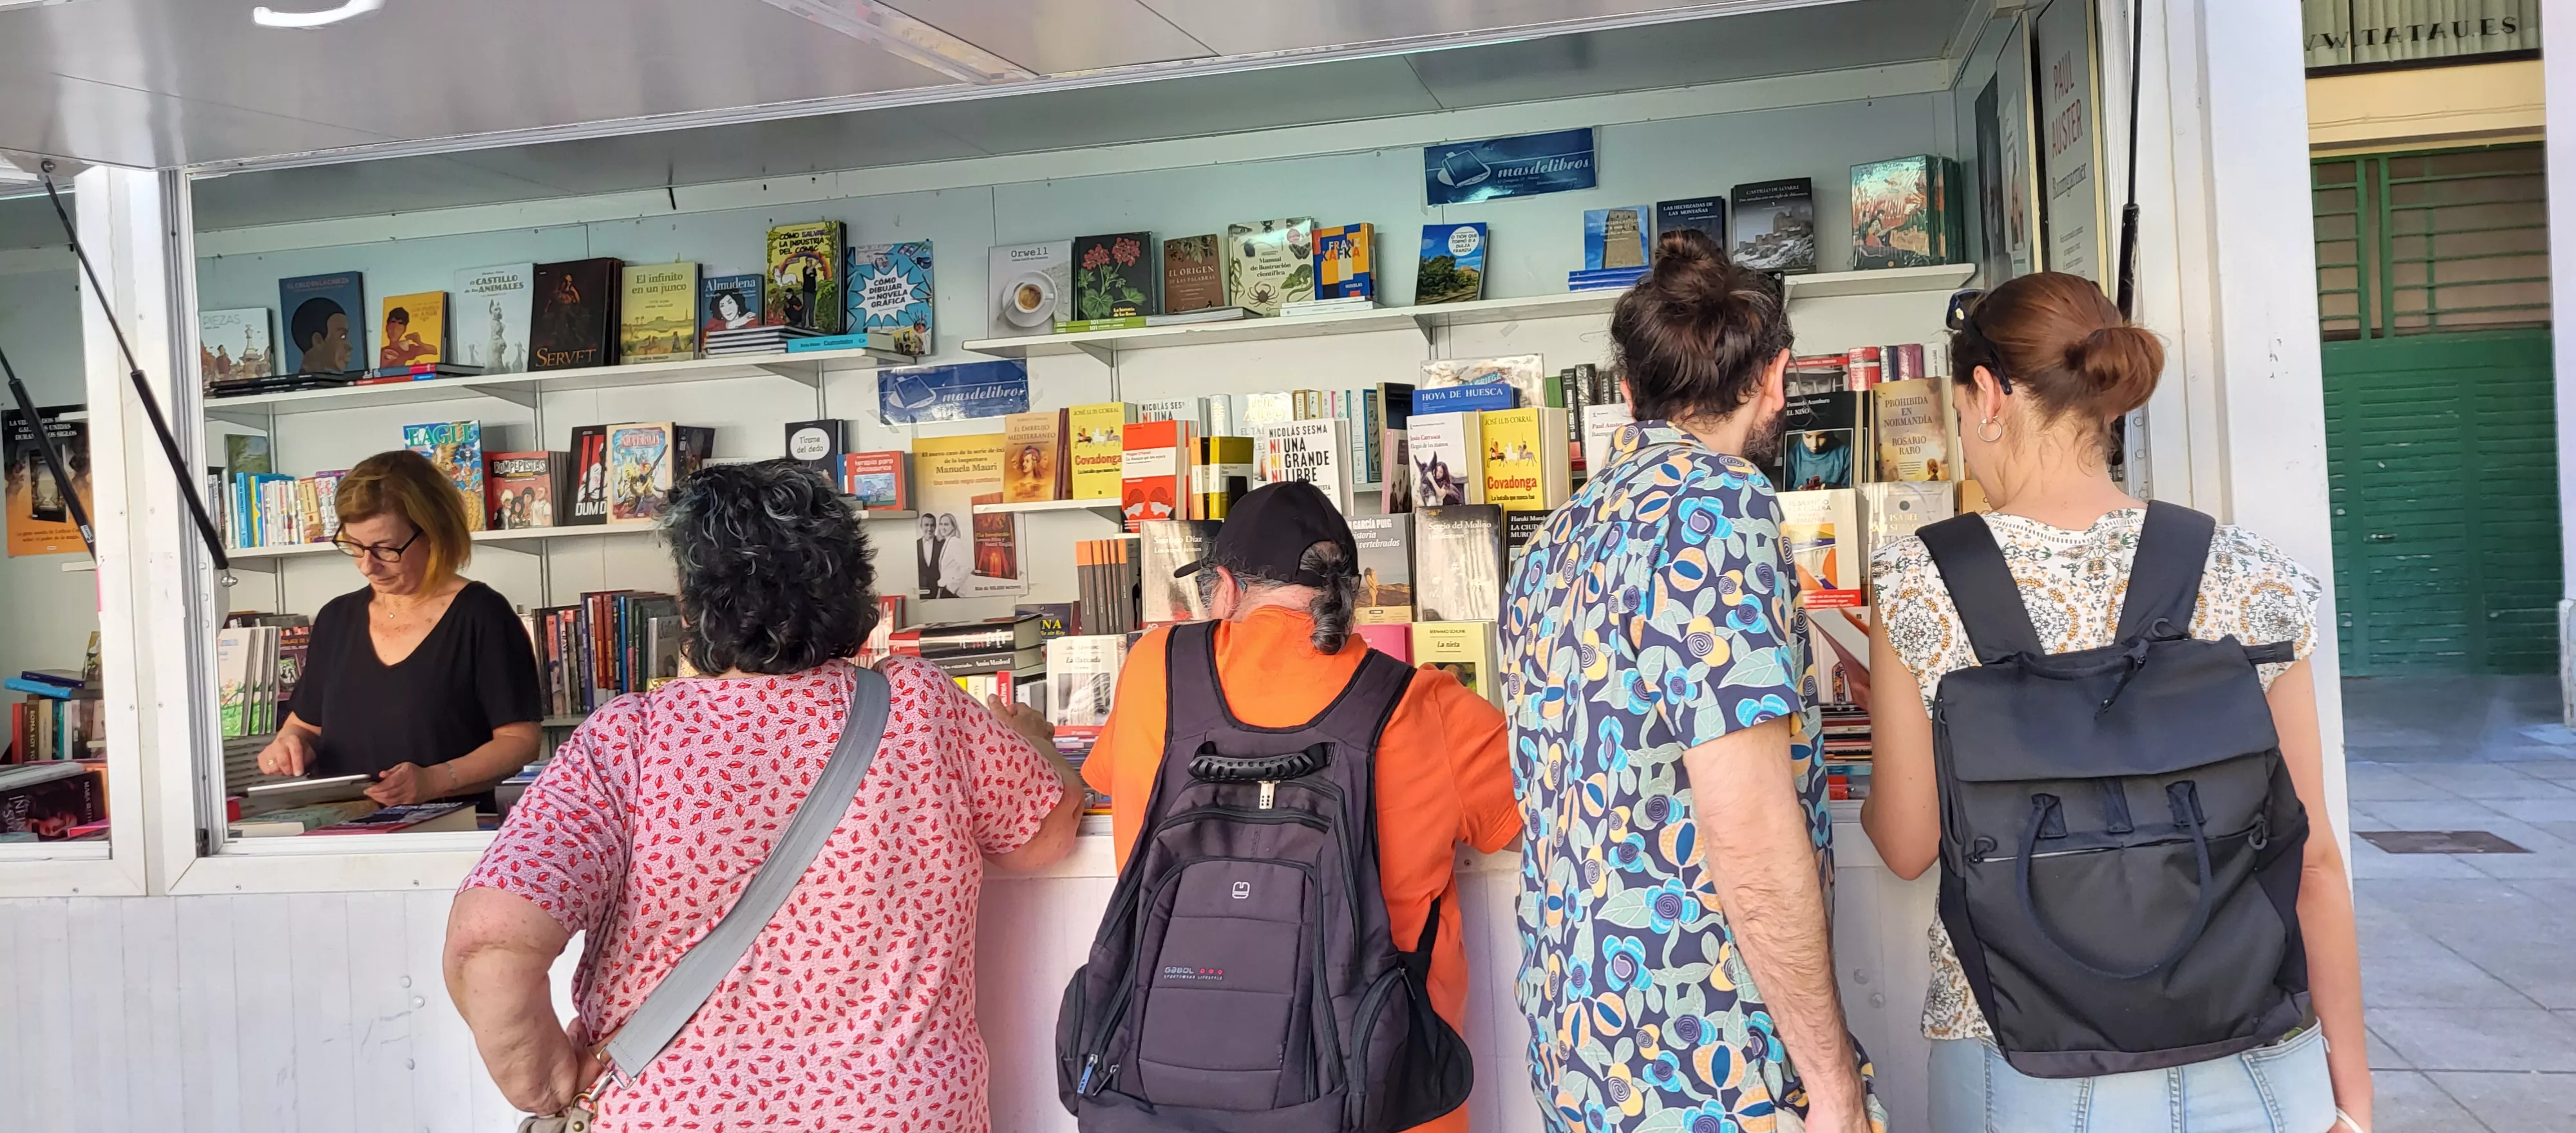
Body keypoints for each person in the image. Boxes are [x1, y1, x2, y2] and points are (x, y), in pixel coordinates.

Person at [1859, 272, 2371, 1133]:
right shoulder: (2250, 576)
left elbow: (1908, 847)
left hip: (2018, 1070)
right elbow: (2312, 862)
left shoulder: (1920, 583)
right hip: (2253, 1059)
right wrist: (2351, 1095)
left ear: (1987, 394)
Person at [444, 460, 1084, 1128]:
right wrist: (1035, 741)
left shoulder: (627, 740)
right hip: (893, 1112)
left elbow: (489, 943)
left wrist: (548, 1086)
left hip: (675, 1112)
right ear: (852, 586)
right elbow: (1045, 835)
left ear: (693, 601)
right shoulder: (921, 709)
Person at [1501, 230, 1882, 1133]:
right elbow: (1745, 824)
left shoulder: (1556, 536)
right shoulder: (1720, 503)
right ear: (1775, 376)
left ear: (1629, 391)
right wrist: (1832, 1086)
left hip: (1585, 1047)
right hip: (1704, 1050)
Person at [1057, 480, 1520, 1133]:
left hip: (1160, 1096)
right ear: (1351, 595)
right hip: (1377, 1100)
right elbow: (1554, 822)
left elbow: (1100, 779)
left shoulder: (1153, 670)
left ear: (1224, 586)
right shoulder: (1425, 705)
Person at [254, 449, 540, 809]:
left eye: (385, 549)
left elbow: (519, 740)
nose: (367, 566)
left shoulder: (482, 615)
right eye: (354, 547)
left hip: (448, 833)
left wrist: (434, 780)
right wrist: (288, 746)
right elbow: (306, 726)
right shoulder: (337, 618)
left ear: (435, 533)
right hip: (339, 834)